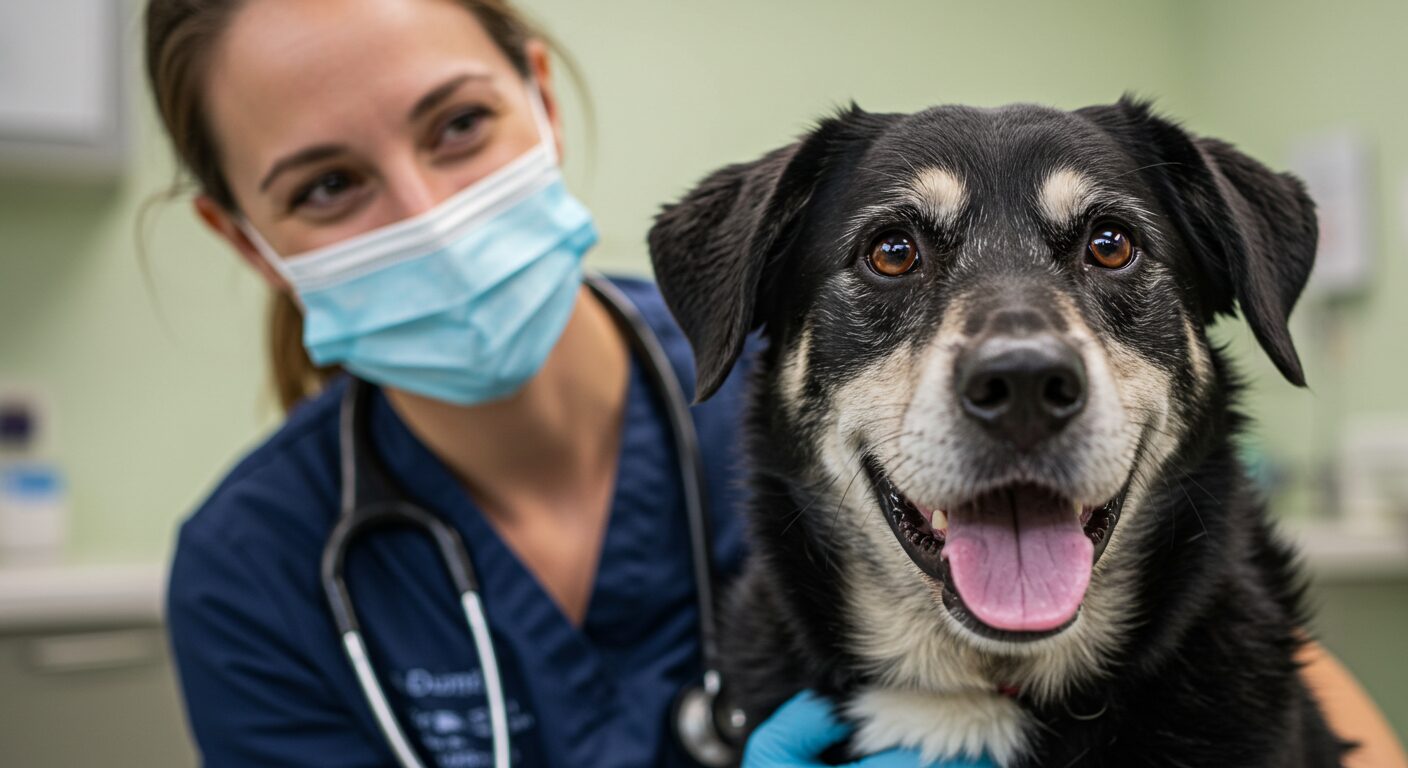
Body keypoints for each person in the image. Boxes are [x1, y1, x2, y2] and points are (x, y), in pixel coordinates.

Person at [144, 1, 1404, 766]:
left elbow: (1287, 679)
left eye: (455, 124)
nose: (1020, 356)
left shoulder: (743, 376)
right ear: (241, 236)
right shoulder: (254, 575)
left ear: (536, 94)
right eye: (326, 185)